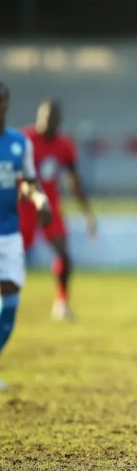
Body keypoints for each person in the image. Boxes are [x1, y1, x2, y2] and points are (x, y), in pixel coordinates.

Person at [19, 99, 96, 322]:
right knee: (10, 255)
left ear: (59, 121)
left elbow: (73, 180)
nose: (48, 122)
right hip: (22, 205)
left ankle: (61, 304)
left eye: (53, 118)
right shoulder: (25, 140)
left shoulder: (64, 146)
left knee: (63, 253)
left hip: (50, 206)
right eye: (45, 117)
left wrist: (87, 212)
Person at [0, 82, 52, 390]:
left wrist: (39, 199)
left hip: (8, 235)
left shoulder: (20, 144)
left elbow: (29, 182)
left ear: (7, 103)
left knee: (11, 304)